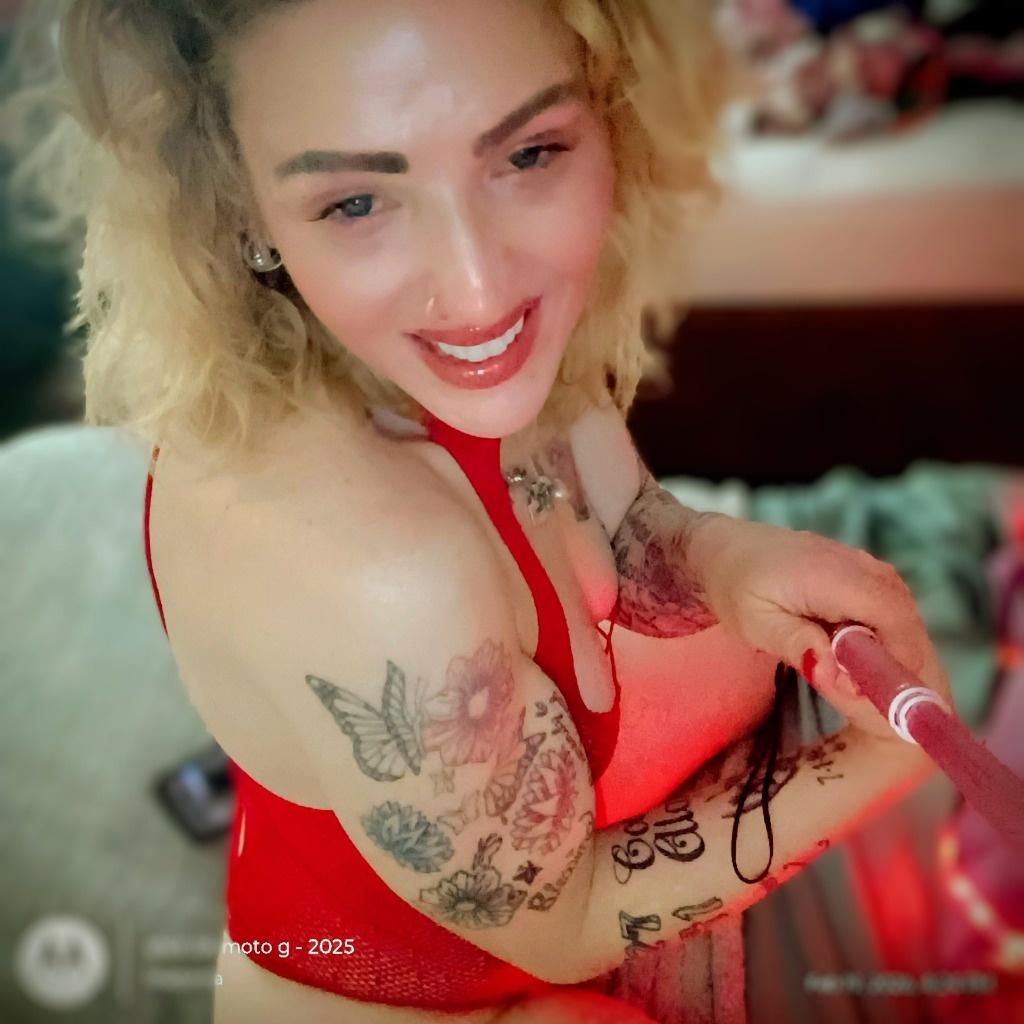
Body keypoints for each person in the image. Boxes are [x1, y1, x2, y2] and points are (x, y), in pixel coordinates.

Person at [2, 1, 954, 1020]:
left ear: (609, 117)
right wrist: (886, 754)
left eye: (529, 153)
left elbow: (619, 521)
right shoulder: (384, 569)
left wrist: (727, 561)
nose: (476, 288)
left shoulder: (439, 356)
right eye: (356, 203)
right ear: (240, 213)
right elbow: (566, 922)